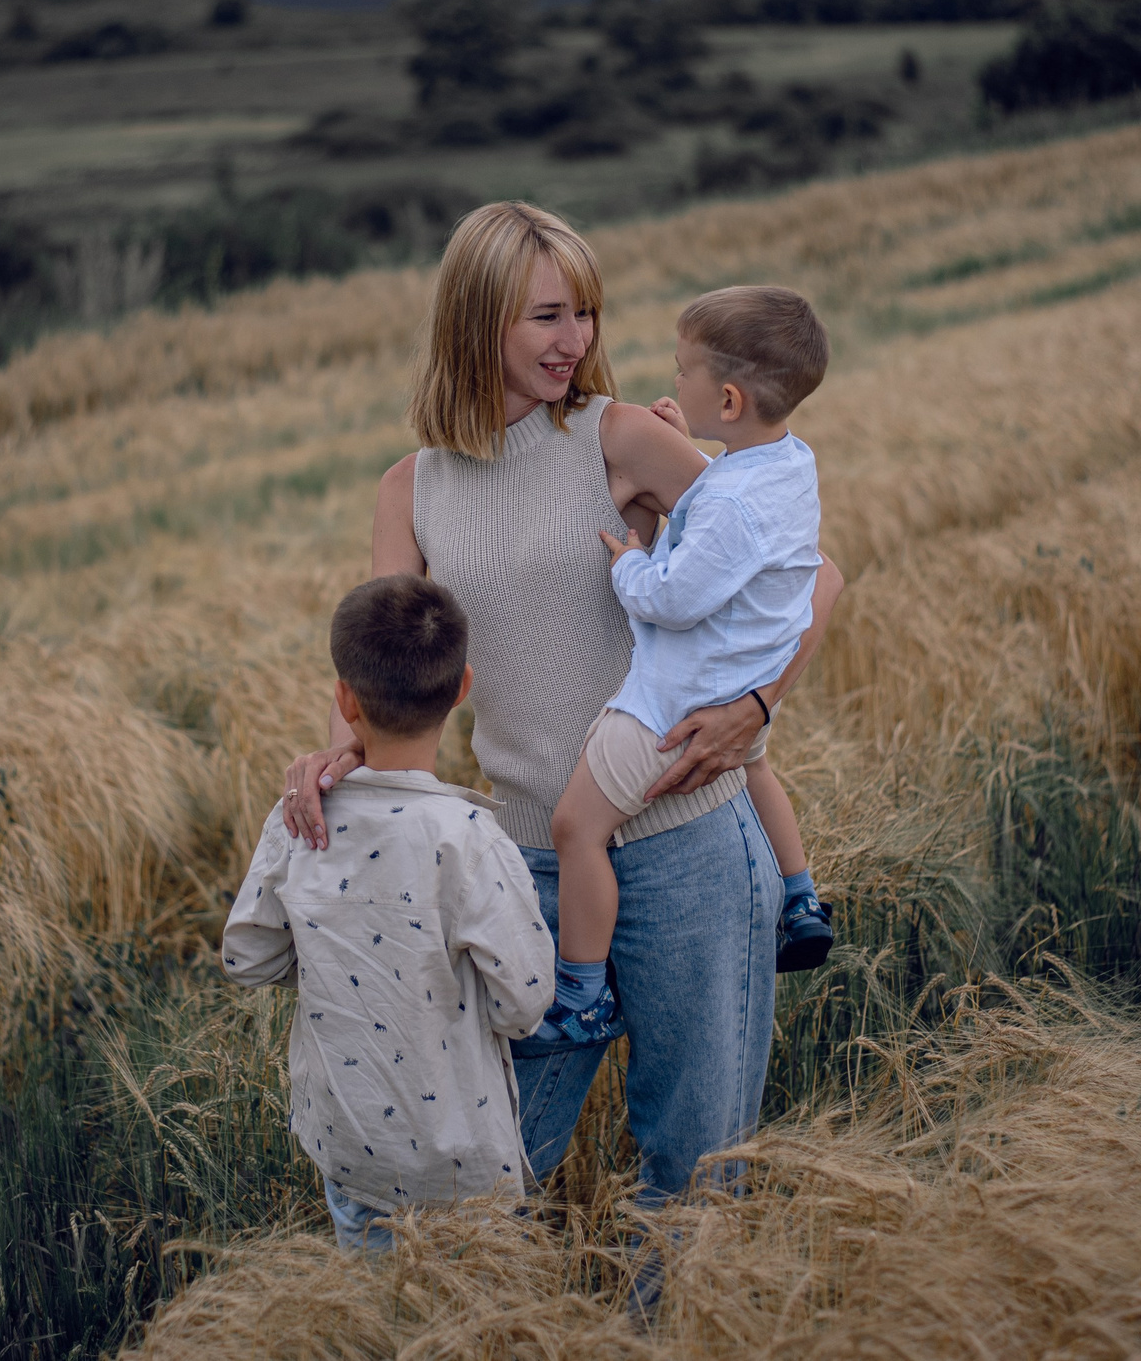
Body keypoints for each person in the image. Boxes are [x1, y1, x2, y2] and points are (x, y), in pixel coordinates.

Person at [281, 201, 844, 1211]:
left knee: (695, 1168)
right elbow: (381, 672)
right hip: (529, 864)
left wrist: (758, 704)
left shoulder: (618, 439)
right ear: (475, 319)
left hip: (689, 850)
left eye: (583, 312)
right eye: (545, 315)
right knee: (492, 1161)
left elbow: (812, 574)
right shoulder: (411, 490)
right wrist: (333, 758)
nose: (575, 339)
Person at [536, 286, 835, 1049]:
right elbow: (735, 507)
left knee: (576, 826)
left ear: (728, 398)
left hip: (681, 701)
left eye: (683, 373)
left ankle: (581, 993)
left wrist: (631, 564)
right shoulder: (786, 462)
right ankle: (800, 897)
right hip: (745, 679)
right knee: (757, 769)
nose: (673, 384)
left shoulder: (729, 503)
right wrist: (698, 450)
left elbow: (675, 597)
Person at [222, 574, 555, 1253]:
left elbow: (248, 957)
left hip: (351, 1149)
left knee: (377, 1319)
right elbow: (525, 1002)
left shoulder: (299, 819)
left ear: (344, 699)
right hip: (462, 1161)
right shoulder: (469, 837)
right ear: (463, 688)